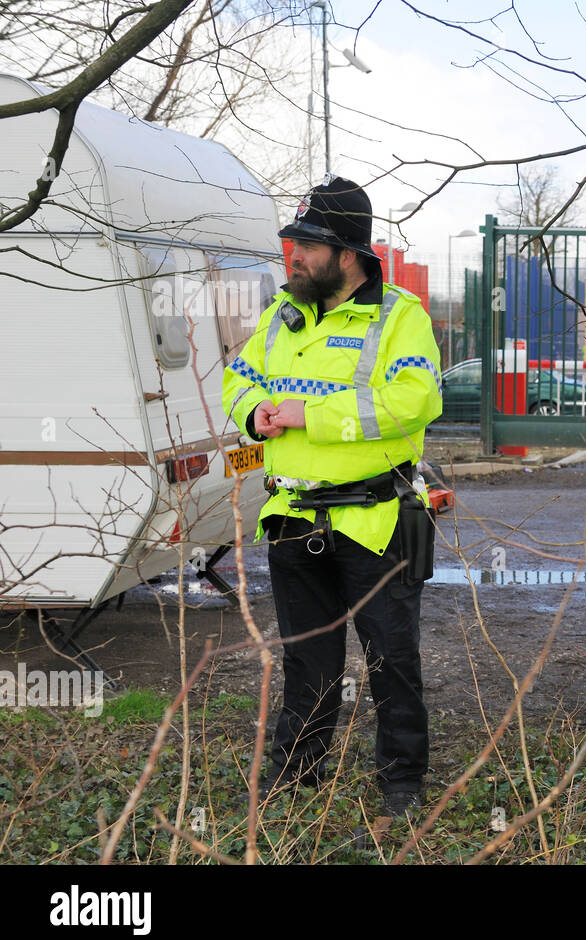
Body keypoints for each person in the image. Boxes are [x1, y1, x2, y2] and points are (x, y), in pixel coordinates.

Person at [221, 176, 442, 817]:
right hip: (292, 516)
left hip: (376, 520)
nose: (293, 254)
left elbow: (412, 401)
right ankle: (297, 776)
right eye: (290, 241)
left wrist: (305, 415)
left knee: (391, 660)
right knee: (307, 662)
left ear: (347, 252)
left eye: (307, 244)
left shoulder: (400, 316)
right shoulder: (281, 316)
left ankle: (401, 781)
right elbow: (240, 378)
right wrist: (255, 410)